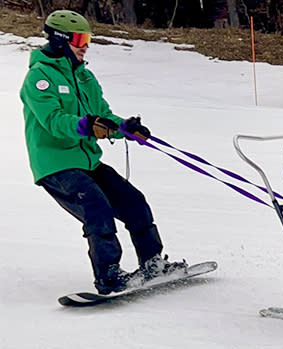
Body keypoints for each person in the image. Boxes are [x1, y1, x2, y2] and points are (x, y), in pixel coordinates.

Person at [20, 10, 185, 295]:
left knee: (133, 201)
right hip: (56, 164)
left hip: (88, 161)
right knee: (97, 207)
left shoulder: (85, 77)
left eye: (88, 39)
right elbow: (54, 122)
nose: (85, 45)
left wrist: (126, 128)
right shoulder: (39, 78)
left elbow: (103, 117)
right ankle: (109, 275)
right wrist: (86, 126)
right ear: (60, 40)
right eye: (80, 39)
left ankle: (152, 263)